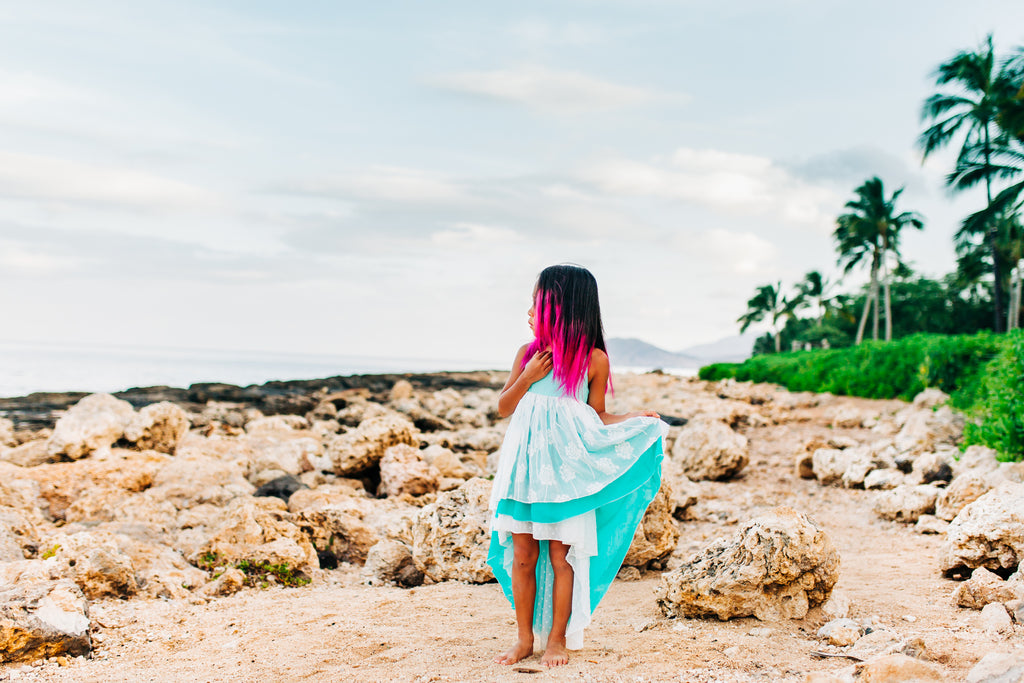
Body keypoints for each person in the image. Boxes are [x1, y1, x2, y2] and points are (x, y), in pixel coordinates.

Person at [488, 264, 667, 668]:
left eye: (537, 300)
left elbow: (596, 416)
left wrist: (635, 419)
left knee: (561, 555)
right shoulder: (528, 355)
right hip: (525, 472)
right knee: (522, 556)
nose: (530, 308)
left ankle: (557, 641)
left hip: (566, 476)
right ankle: (523, 639)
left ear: (560, 306)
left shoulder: (594, 360)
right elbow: (503, 407)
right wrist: (528, 376)